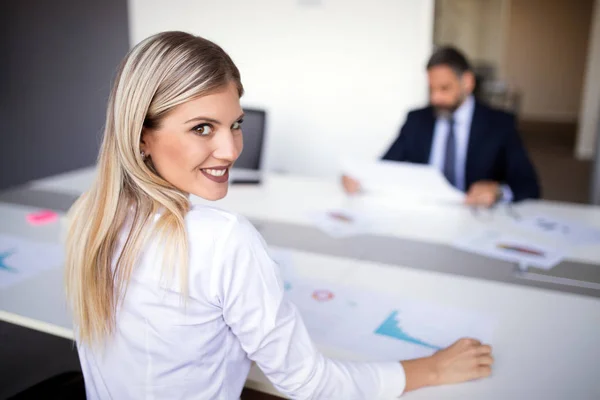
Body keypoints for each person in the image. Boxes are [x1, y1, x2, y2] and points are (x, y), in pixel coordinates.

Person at [65, 32, 493, 399]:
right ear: (142, 137)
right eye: (201, 128)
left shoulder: (88, 216)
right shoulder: (222, 239)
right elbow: (311, 385)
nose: (232, 150)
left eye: (235, 124)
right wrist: (432, 369)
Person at [343, 46, 540, 207]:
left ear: (467, 83)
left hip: (476, 217)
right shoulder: (416, 120)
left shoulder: (500, 124)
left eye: (444, 88)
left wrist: (498, 191)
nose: (435, 98)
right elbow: (387, 166)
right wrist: (360, 178)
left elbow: (529, 185)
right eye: (431, 89)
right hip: (425, 215)